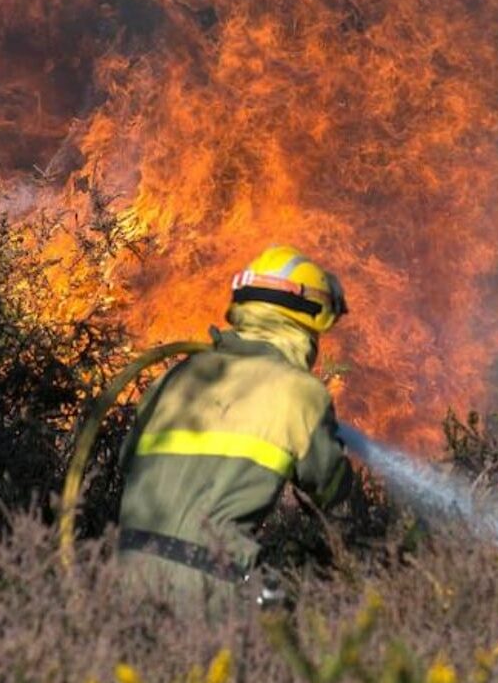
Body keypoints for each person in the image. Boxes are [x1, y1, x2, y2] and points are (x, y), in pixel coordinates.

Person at [117, 245, 354, 607]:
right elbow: (330, 490)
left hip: (123, 578)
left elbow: (126, 463)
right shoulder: (299, 393)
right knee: (303, 621)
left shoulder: (175, 377)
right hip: (210, 587)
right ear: (307, 322)